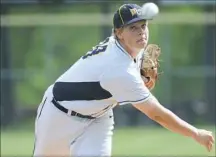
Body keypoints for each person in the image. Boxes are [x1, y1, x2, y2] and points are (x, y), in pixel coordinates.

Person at [33, 3, 214, 157]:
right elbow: (156, 113)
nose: (141, 32)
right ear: (118, 33)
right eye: (133, 28)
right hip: (59, 115)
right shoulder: (118, 69)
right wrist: (195, 133)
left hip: (98, 118)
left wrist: (138, 77)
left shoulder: (129, 48)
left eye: (143, 26)